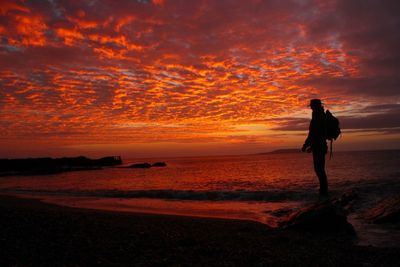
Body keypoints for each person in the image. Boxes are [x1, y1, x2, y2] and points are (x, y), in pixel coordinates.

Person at [301, 99, 328, 196]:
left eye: (312, 106)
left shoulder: (317, 117)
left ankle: (323, 191)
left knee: (319, 169)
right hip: (321, 145)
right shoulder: (321, 115)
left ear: (315, 106)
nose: (311, 108)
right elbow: (316, 134)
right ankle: (323, 190)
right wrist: (311, 146)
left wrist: (306, 145)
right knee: (320, 169)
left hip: (319, 146)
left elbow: (313, 134)